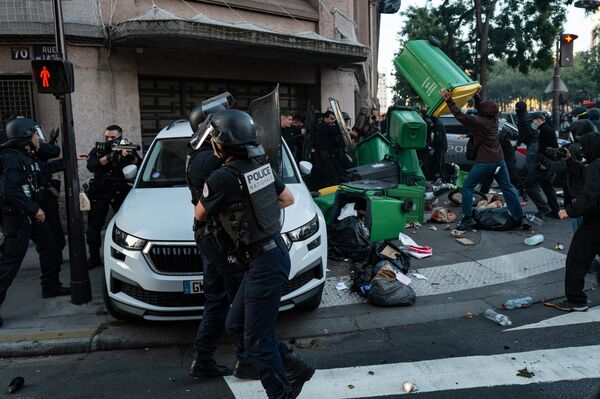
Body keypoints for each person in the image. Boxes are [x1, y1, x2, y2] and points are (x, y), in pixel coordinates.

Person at [194, 109, 315, 399]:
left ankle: (281, 392)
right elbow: (287, 198)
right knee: (236, 324)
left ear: (219, 144)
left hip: (264, 262)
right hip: (269, 255)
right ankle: (296, 365)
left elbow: (199, 213)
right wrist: (254, 210)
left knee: (257, 340)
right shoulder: (260, 167)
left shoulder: (221, 177)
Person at [186, 102, 255, 380]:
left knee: (217, 301)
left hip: (210, 236)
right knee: (242, 298)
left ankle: (203, 360)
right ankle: (246, 360)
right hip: (221, 239)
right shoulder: (210, 160)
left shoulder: (200, 154)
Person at [0, 118, 70, 327]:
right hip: (18, 217)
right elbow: (10, 190)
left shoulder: (24, 156)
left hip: (31, 214)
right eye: (35, 134)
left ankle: (51, 286)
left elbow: (41, 170)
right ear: (25, 136)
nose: (39, 138)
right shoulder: (11, 158)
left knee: (50, 247)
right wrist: (34, 209)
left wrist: (70, 162)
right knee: (10, 263)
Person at [440, 88, 529, 231]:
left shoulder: (480, 121)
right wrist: (477, 97)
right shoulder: (493, 120)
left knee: (468, 187)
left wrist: (448, 100)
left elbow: (461, 117)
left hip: (485, 161)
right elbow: (482, 108)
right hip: (500, 160)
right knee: (507, 187)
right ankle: (521, 217)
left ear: (484, 112)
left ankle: (468, 218)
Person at [554, 133, 600, 311]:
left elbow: (590, 196)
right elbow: (585, 172)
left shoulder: (596, 166)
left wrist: (569, 211)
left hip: (596, 221)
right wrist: (569, 160)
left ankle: (576, 299)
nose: (582, 149)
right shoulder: (595, 165)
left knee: (576, 259)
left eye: (584, 146)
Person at [85, 125, 141, 269]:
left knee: (127, 226)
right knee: (93, 228)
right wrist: (108, 157)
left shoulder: (127, 147)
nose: (109, 140)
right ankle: (94, 256)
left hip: (120, 190)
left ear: (120, 137)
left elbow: (140, 165)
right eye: (107, 137)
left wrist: (130, 157)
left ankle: (127, 256)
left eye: (113, 138)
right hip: (100, 191)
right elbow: (91, 166)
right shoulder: (99, 148)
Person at [524, 112, 560, 219]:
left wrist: (545, 163)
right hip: (547, 162)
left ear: (538, 119)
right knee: (547, 185)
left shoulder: (545, 130)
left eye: (533, 121)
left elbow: (551, 148)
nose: (532, 123)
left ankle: (543, 208)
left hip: (545, 163)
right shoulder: (544, 129)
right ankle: (555, 210)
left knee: (528, 184)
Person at [311, 111, 347, 188]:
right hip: (323, 157)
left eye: (333, 119)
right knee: (333, 177)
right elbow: (337, 130)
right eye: (331, 119)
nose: (332, 121)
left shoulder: (324, 126)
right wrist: (337, 122)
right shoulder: (323, 126)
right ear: (325, 118)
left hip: (327, 156)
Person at [515, 101, 538, 173]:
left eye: (517, 108)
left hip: (533, 143)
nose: (516, 110)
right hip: (532, 143)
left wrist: (518, 142)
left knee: (529, 166)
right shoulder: (526, 116)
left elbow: (527, 133)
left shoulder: (524, 118)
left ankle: (533, 183)